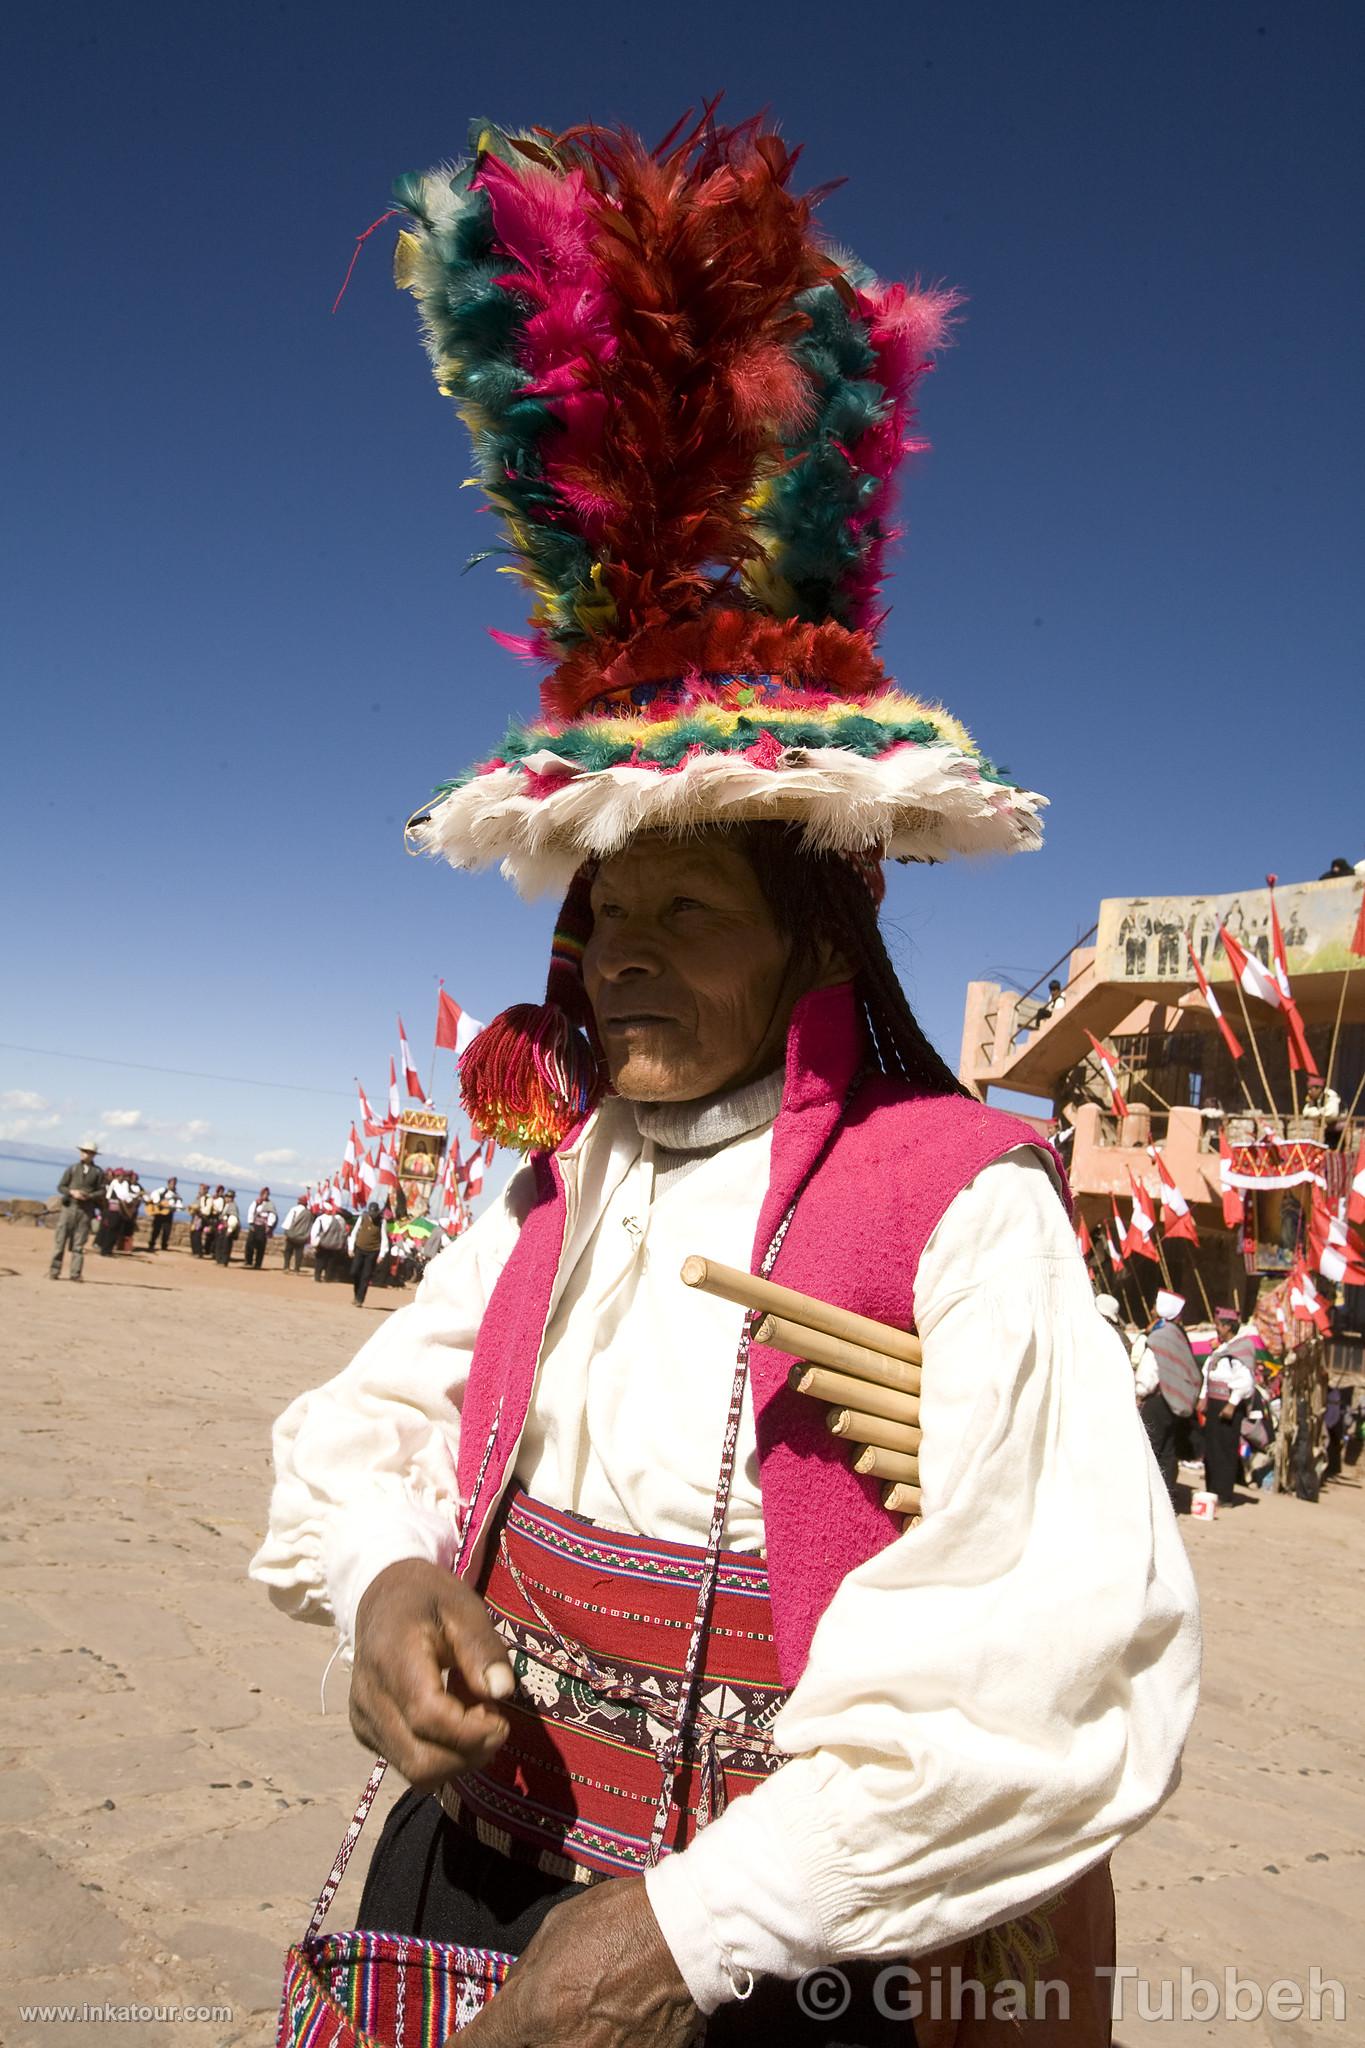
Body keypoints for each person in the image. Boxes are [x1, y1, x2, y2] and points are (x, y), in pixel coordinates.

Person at [250, 115, 1198, 2045]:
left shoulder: (965, 1197)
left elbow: (1060, 1643)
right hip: (467, 1878)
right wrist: (381, 1579)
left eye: (691, 904)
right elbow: (369, 1427)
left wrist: (694, 1926)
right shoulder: (553, 1183)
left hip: (779, 1953)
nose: (623, 955)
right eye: (607, 912)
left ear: (814, 935)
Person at [1133, 1289, 1203, 1501]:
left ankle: (1148, 1497)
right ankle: (1166, 1495)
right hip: (1174, 1402)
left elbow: (1150, 1372)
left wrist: (1139, 1392)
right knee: (1168, 1450)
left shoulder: (1159, 1337)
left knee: (1150, 1448)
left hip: (1157, 1401)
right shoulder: (1178, 1336)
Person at [1202, 1307, 1258, 1503]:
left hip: (1228, 1406)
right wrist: (1203, 1398)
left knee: (1225, 1449)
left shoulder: (1240, 1349)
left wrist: (1232, 1404)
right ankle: (1211, 1490)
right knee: (1212, 1448)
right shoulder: (1221, 1348)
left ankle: (1224, 1494)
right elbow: (1207, 1374)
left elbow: (1245, 1381)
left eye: (1218, 1325)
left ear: (1227, 1326)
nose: (1216, 1329)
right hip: (1214, 1404)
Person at [50, 1141, 106, 1282]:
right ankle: (54, 1271)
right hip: (69, 1209)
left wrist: (89, 1196)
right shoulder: (72, 1169)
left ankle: (75, 1274)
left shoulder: (98, 1172)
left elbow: (102, 1191)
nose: (84, 1153)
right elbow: (61, 1186)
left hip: (85, 1211)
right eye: (82, 1151)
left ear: (93, 1155)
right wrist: (71, 1192)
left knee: (79, 1244)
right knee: (60, 1242)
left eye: (87, 1151)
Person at [347, 1202, 388, 1307]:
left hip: (373, 1251)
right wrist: (351, 1247)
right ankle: (356, 1294)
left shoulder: (382, 1222)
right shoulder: (362, 1218)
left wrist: (381, 1254)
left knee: (366, 1276)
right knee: (354, 1272)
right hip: (360, 1249)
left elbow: (384, 1238)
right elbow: (354, 1232)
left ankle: (360, 1299)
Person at [311, 1206, 349, 1283]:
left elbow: (316, 1232)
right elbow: (344, 1234)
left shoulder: (325, 1219)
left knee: (320, 1260)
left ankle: (317, 1277)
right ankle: (327, 1277)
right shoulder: (342, 1221)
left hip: (324, 1243)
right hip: (335, 1245)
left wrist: (315, 1243)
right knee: (330, 1262)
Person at [146, 1176, 183, 1253]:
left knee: (167, 1231)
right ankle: (152, 1244)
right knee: (156, 1229)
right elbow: (154, 1194)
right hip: (159, 1213)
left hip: (168, 1214)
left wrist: (177, 1208)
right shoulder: (163, 1190)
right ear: (168, 1184)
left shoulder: (176, 1195)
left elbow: (179, 1206)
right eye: (171, 1183)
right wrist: (158, 1203)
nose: (173, 1185)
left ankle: (164, 1245)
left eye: (174, 1184)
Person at [244, 1187, 278, 1270]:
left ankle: (258, 1263)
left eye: (267, 1194)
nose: (265, 1195)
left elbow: (272, 1215)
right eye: (264, 1194)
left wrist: (269, 1226)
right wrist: (251, 1223)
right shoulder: (256, 1202)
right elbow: (251, 1212)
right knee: (250, 1243)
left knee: (261, 1246)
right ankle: (248, 1261)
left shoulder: (270, 1205)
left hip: (263, 1227)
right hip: (255, 1225)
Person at [280, 1195, 312, 1273]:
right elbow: (309, 1226)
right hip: (302, 1236)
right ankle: (296, 1269)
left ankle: (286, 1267)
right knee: (299, 1253)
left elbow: (288, 1221)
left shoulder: (294, 1209)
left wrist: (286, 1232)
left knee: (288, 1251)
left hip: (291, 1234)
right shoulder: (308, 1213)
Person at [213, 1190, 241, 1266]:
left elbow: (233, 1219)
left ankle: (224, 1261)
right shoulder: (227, 1205)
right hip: (223, 1228)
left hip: (228, 1228)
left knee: (226, 1245)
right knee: (220, 1244)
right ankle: (219, 1260)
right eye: (227, 1197)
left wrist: (230, 1229)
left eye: (230, 1197)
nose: (228, 1198)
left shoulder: (232, 1206)